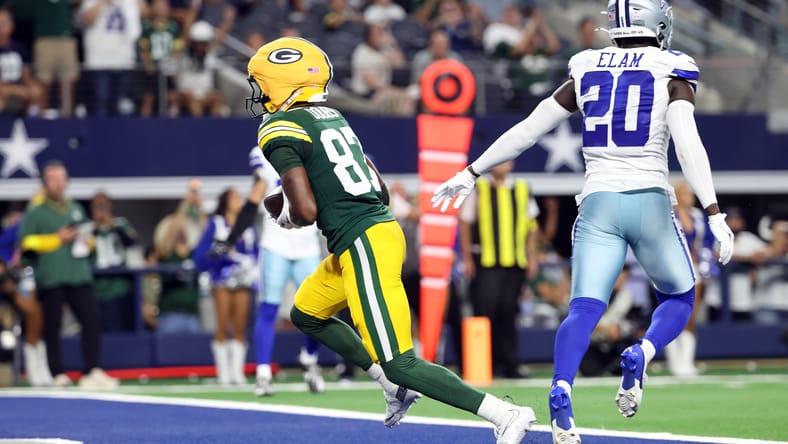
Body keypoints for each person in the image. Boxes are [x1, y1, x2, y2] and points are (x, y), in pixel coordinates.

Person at [431, 2, 735, 443]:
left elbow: (529, 129)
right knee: (681, 297)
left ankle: (560, 386)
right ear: (659, 23)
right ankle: (643, 352)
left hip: (597, 202)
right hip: (647, 197)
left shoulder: (587, 66)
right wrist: (714, 212)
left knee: (584, 309)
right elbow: (687, 144)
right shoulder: (671, 68)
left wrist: (470, 171)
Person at [244, 37, 536, 442]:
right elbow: (378, 189)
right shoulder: (331, 116)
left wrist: (289, 214)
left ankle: (504, 413)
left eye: (261, 83)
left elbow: (306, 212)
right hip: (372, 231)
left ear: (282, 82)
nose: (258, 93)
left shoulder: (279, 127)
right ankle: (391, 385)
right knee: (307, 313)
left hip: (361, 240)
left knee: (401, 360)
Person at [211, 147, 327, 396]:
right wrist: (230, 239)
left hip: (307, 242)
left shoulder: (309, 146)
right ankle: (263, 373)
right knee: (269, 308)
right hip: (275, 243)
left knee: (319, 311)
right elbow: (254, 201)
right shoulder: (264, 152)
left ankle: (309, 358)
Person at [16, 161, 119, 389]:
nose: (58, 184)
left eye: (61, 178)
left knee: (91, 319)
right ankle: (57, 372)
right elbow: (25, 243)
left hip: (78, 273)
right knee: (52, 325)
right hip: (51, 276)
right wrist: (56, 239)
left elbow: (87, 235)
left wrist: (87, 241)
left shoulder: (75, 207)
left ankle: (92, 370)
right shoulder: (36, 211)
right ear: (45, 183)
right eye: (53, 179)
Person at [457, 160, 539, 378]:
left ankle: (510, 365)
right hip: (486, 262)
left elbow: (531, 226)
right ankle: (484, 364)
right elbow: (465, 223)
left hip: (514, 262)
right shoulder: (480, 189)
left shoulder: (522, 189)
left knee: (509, 312)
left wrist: (532, 257)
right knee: (485, 312)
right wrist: (467, 259)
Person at [193, 187, 259, 386]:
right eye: (234, 197)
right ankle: (223, 372)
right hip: (222, 277)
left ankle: (237, 372)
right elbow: (203, 252)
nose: (238, 200)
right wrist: (220, 252)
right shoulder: (217, 223)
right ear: (225, 201)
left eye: (240, 197)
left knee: (240, 325)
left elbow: (255, 251)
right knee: (222, 324)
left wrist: (251, 269)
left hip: (243, 278)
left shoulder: (248, 225)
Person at [89, 192, 138, 332]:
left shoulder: (120, 223)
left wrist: (112, 225)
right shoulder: (88, 228)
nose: (100, 208)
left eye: (103, 205)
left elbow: (131, 241)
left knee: (120, 328)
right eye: (97, 205)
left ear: (111, 206)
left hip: (119, 286)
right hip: (97, 287)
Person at [0, 258, 51, 386]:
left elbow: (29, 298)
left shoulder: (13, 276)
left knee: (36, 311)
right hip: (6, 313)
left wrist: (10, 286)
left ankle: (39, 368)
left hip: (12, 309)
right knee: (34, 312)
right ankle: (34, 370)